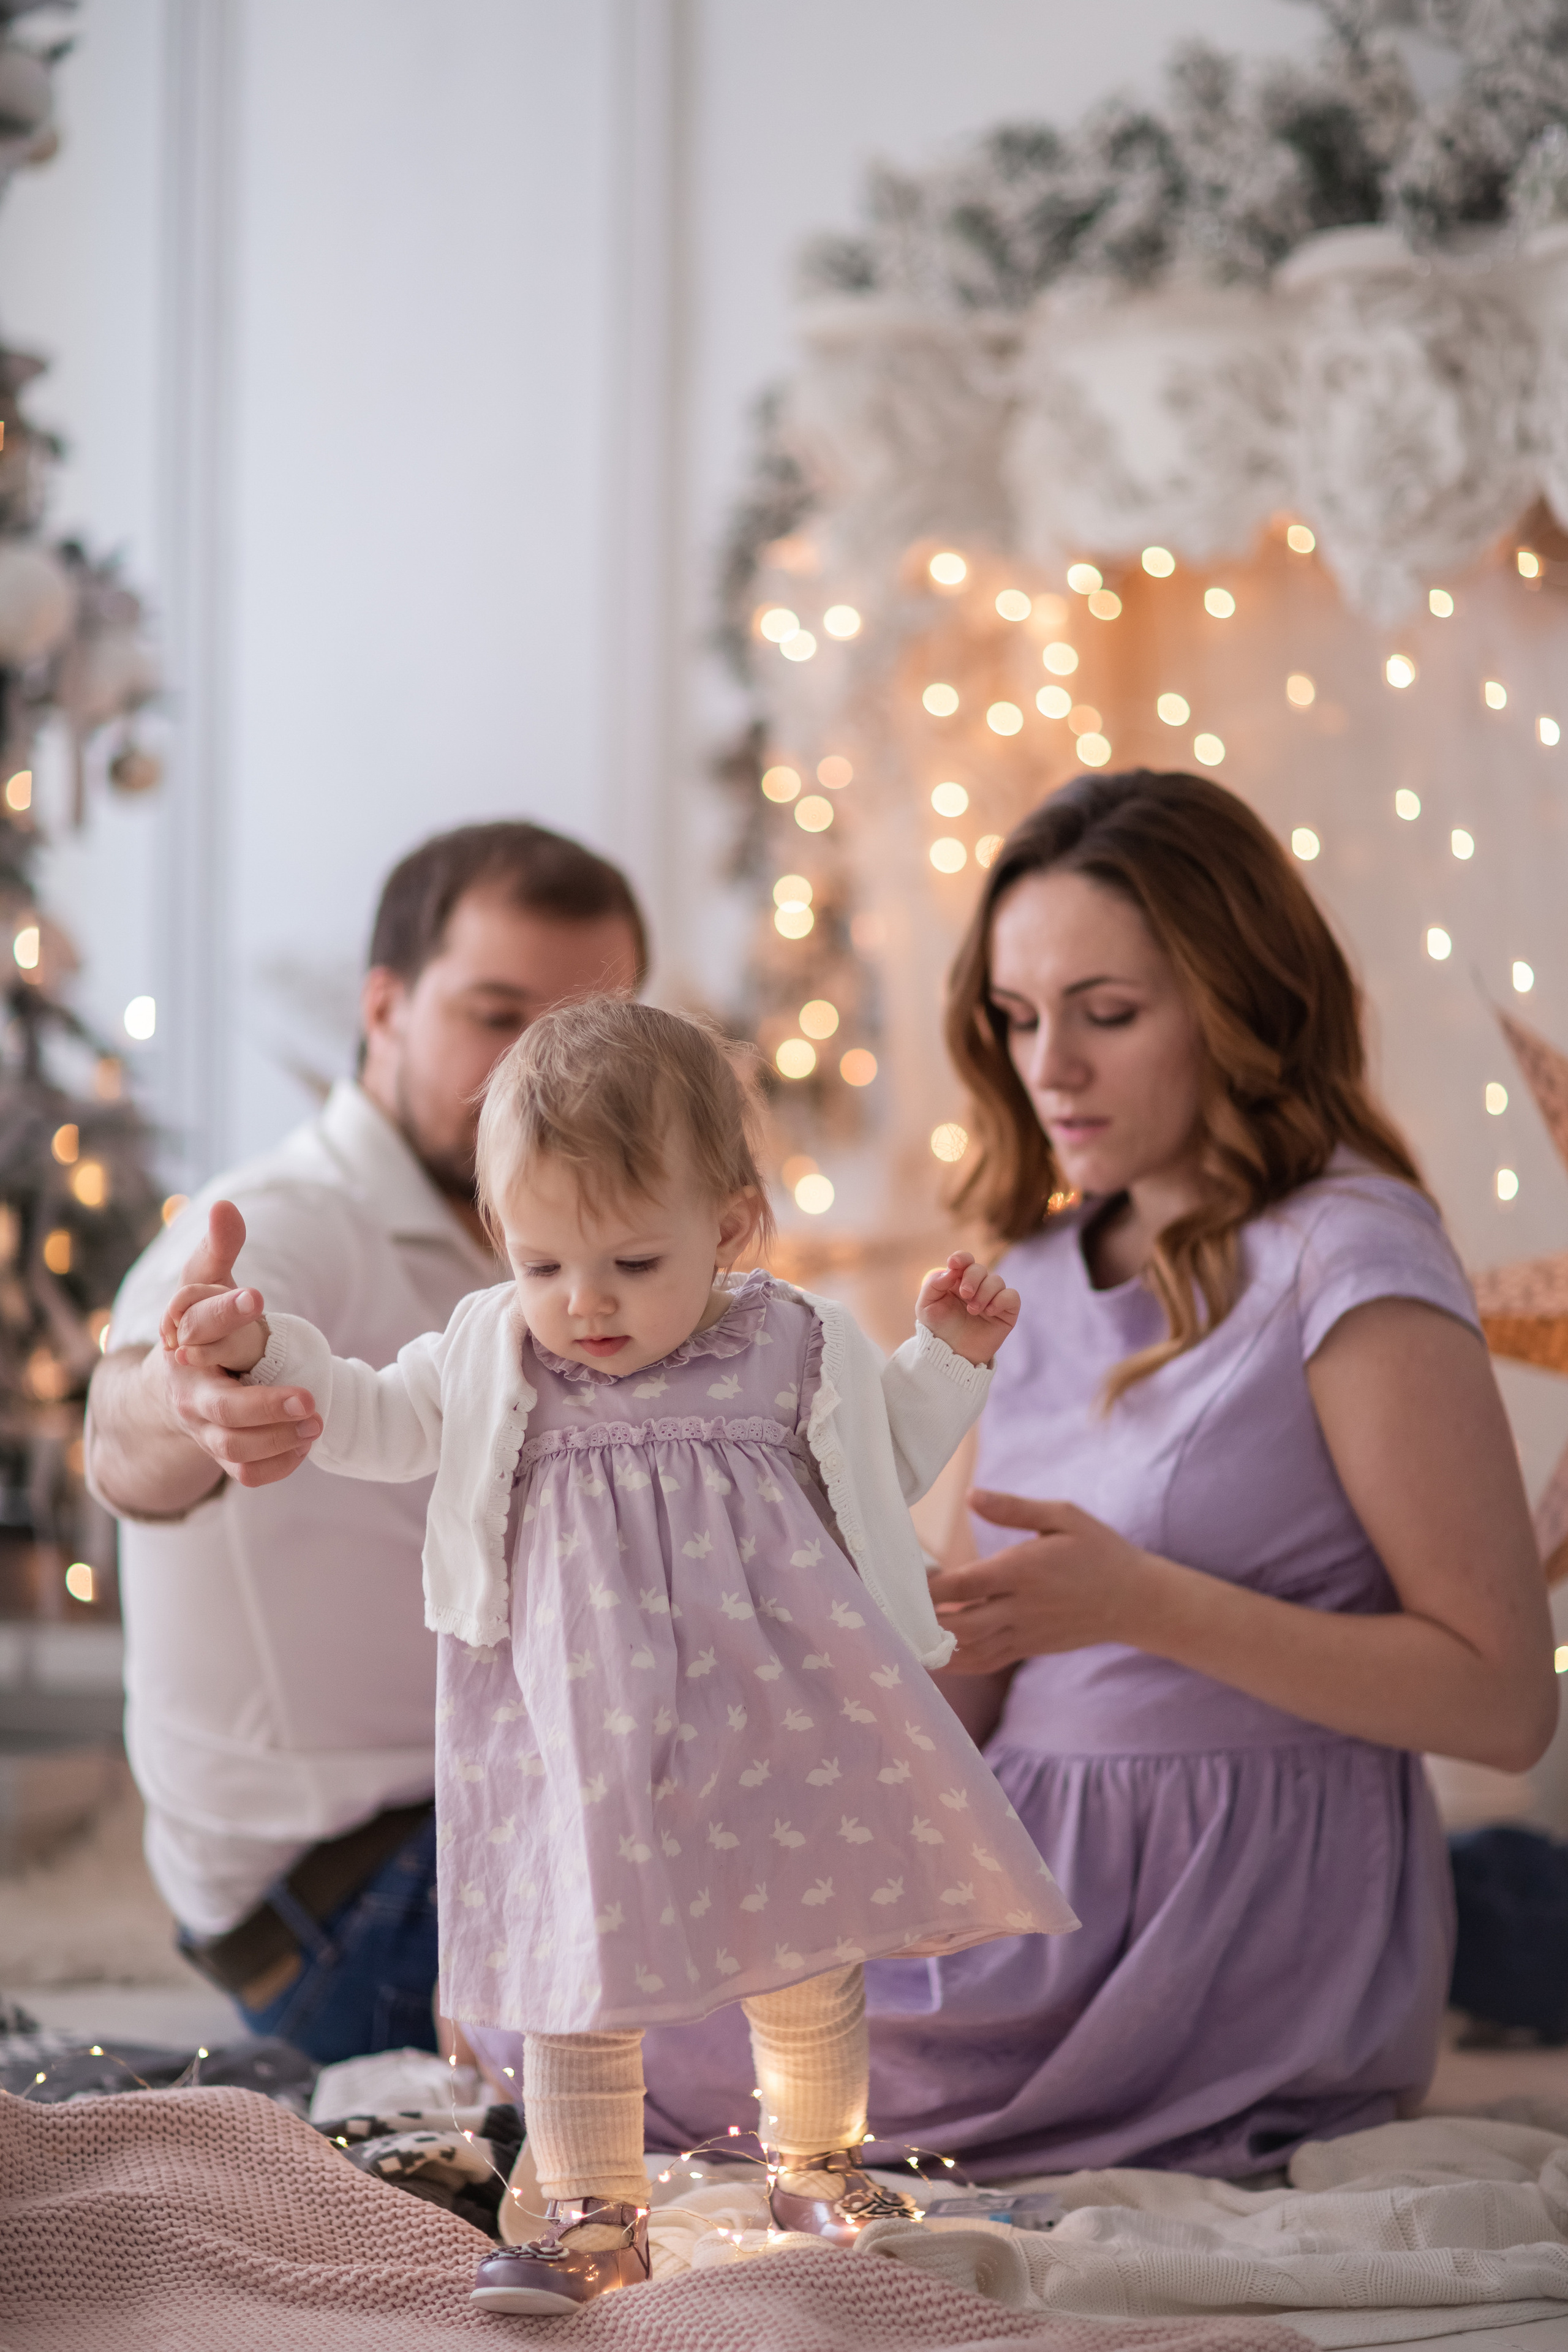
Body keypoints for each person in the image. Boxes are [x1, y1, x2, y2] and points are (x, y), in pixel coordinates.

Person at [638, 767, 1558, 2180]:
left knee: (674, 2056)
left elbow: (1497, 1705)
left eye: (1106, 1014)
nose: (1046, 1067)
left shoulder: (1349, 1257)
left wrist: (1141, 1603)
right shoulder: (1023, 1282)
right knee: (607, 1961)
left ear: (1239, 1004)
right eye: (1014, 1019)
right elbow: (977, 1664)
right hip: (1021, 1860)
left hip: (1227, 1916)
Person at [156, 997, 1076, 2312]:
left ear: (730, 1226)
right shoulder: (492, 1356)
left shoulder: (788, 1342)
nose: (582, 1305)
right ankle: (594, 2207)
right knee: (571, 1971)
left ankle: (816, 2164)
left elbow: (885, 1461)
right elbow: (365, 1414)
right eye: (542, 1265)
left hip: (774, 1712)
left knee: (804, 1947)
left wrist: (950, 1356)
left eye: (634, 1266)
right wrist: (258, 1351)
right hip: (574, 1736)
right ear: (503, 1244)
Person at [85, 822, 647, 2063]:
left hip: (503, 1804)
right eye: (495, 1016)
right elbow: (123, 1433)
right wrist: (189, 1396)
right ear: (383, 1007)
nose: (541, 1078)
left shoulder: (569, 1259)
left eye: (584, 1034)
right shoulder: (297, 1216)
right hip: (349, 1895)